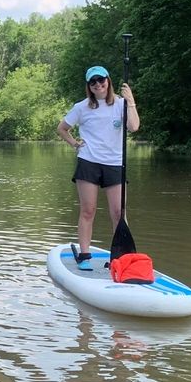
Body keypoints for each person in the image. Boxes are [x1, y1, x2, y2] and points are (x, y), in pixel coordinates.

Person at [55, 65, 140, 271]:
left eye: (101, 80)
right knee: (88, 210)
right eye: (93, 82)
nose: (98, 85)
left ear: (108, 81)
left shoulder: (121, 104)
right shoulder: (82, 107)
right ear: (89, 86)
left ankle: (121, 258)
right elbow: (62, 128)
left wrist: (131, 101)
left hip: (115, 163)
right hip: (89, 161)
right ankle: (84, 256)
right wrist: (75, 144)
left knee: (119, 212)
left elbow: (134, 127)